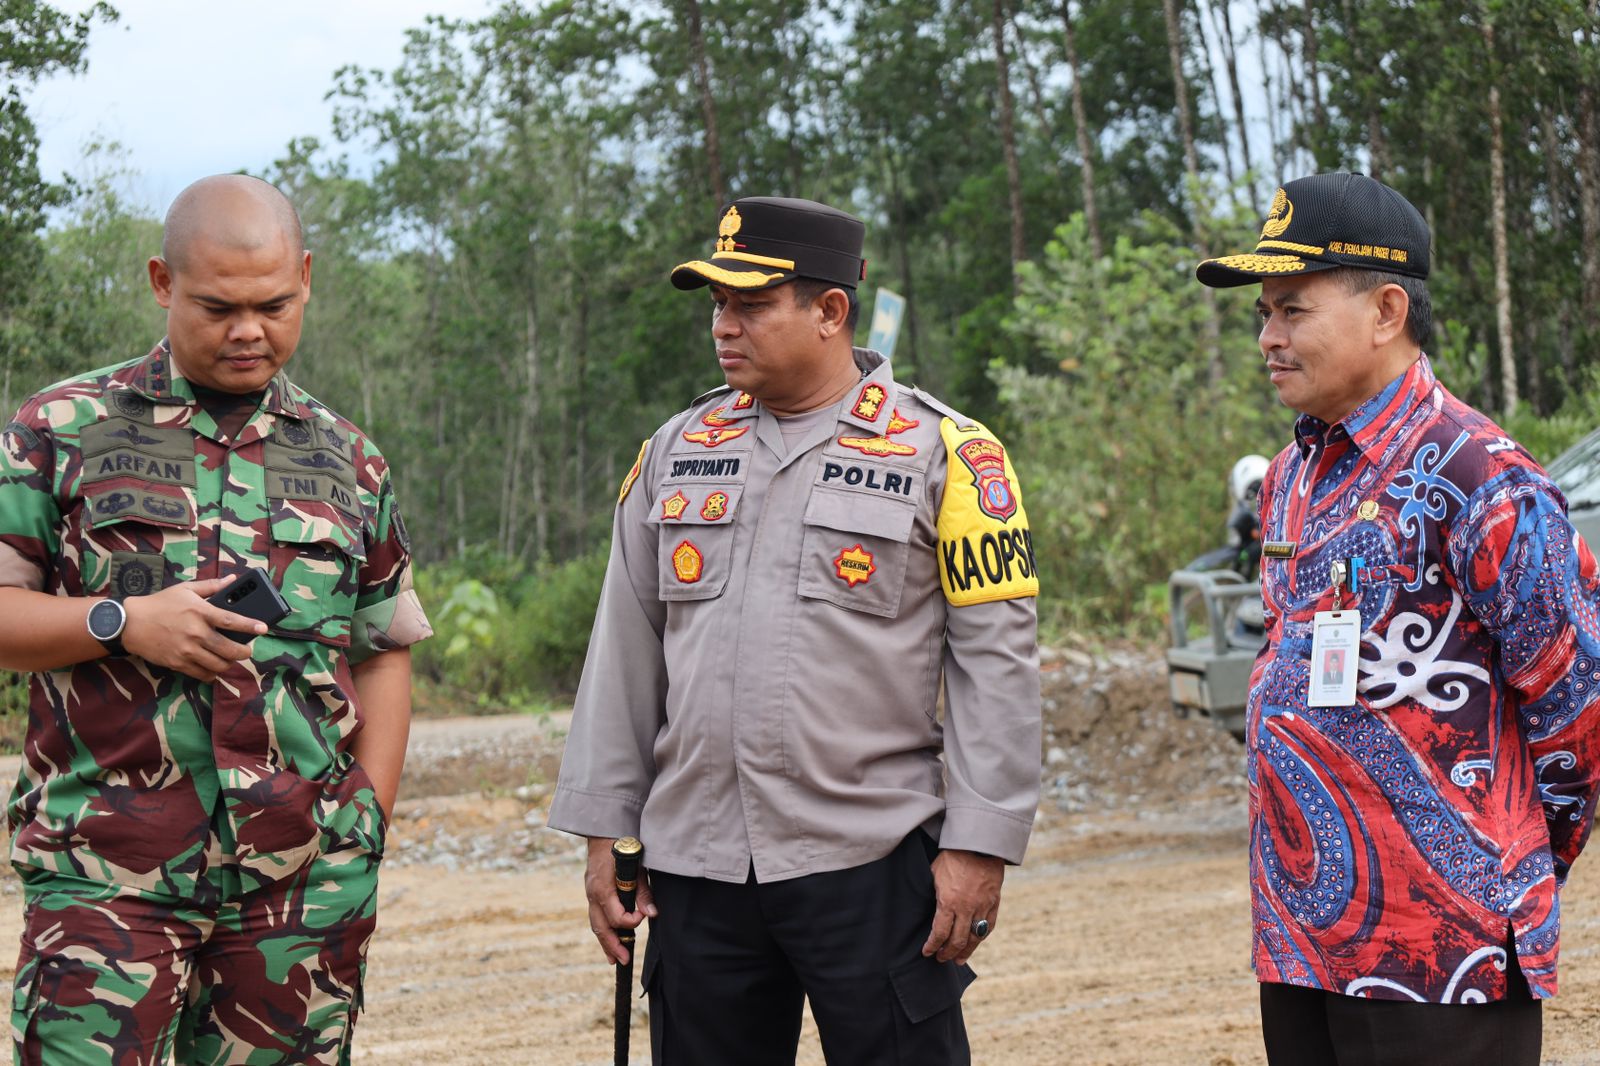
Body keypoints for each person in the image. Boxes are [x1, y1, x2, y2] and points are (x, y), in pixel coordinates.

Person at [547, 196, 1042, 1064]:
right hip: (695, 868)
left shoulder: (947, 455)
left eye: (750, 305)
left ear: (829, 311)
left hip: (871, 861)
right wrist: (604, 831)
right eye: (716, 305)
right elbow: (624, 651)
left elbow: (994, 669)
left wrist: (979, 843)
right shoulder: (676, 449)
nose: (723, 326)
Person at [0, 174, 431, 1064]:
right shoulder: (61, 429)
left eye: (273, 304)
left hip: (298, 887)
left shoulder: (348, 457)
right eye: (218, 306)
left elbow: (383, 647)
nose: (248, 330)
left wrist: (367, 817)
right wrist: (121, 621)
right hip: (106, 880)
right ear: (163, 283)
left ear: (306, 277)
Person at [1196, 171, 1600, 1065]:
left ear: (1386, 311)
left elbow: (1577, 698)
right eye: (1263, 313)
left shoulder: (1480, 477)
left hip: (1442, 949)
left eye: (1292, 310)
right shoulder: (1293, 476)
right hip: (1302, 939)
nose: (1268, 337)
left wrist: (1515, 865)